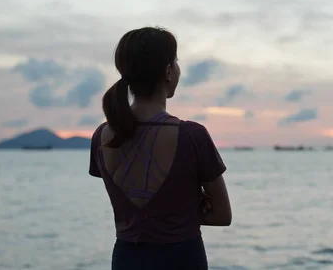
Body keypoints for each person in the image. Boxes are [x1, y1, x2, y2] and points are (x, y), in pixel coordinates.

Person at [88, 27, 232, 269]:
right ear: (167, 71)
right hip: (182, 259)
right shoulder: (191, 135)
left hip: (126, 259)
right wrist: (187, 207)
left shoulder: (101, 136)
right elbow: (221, 215)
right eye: (175, 62)